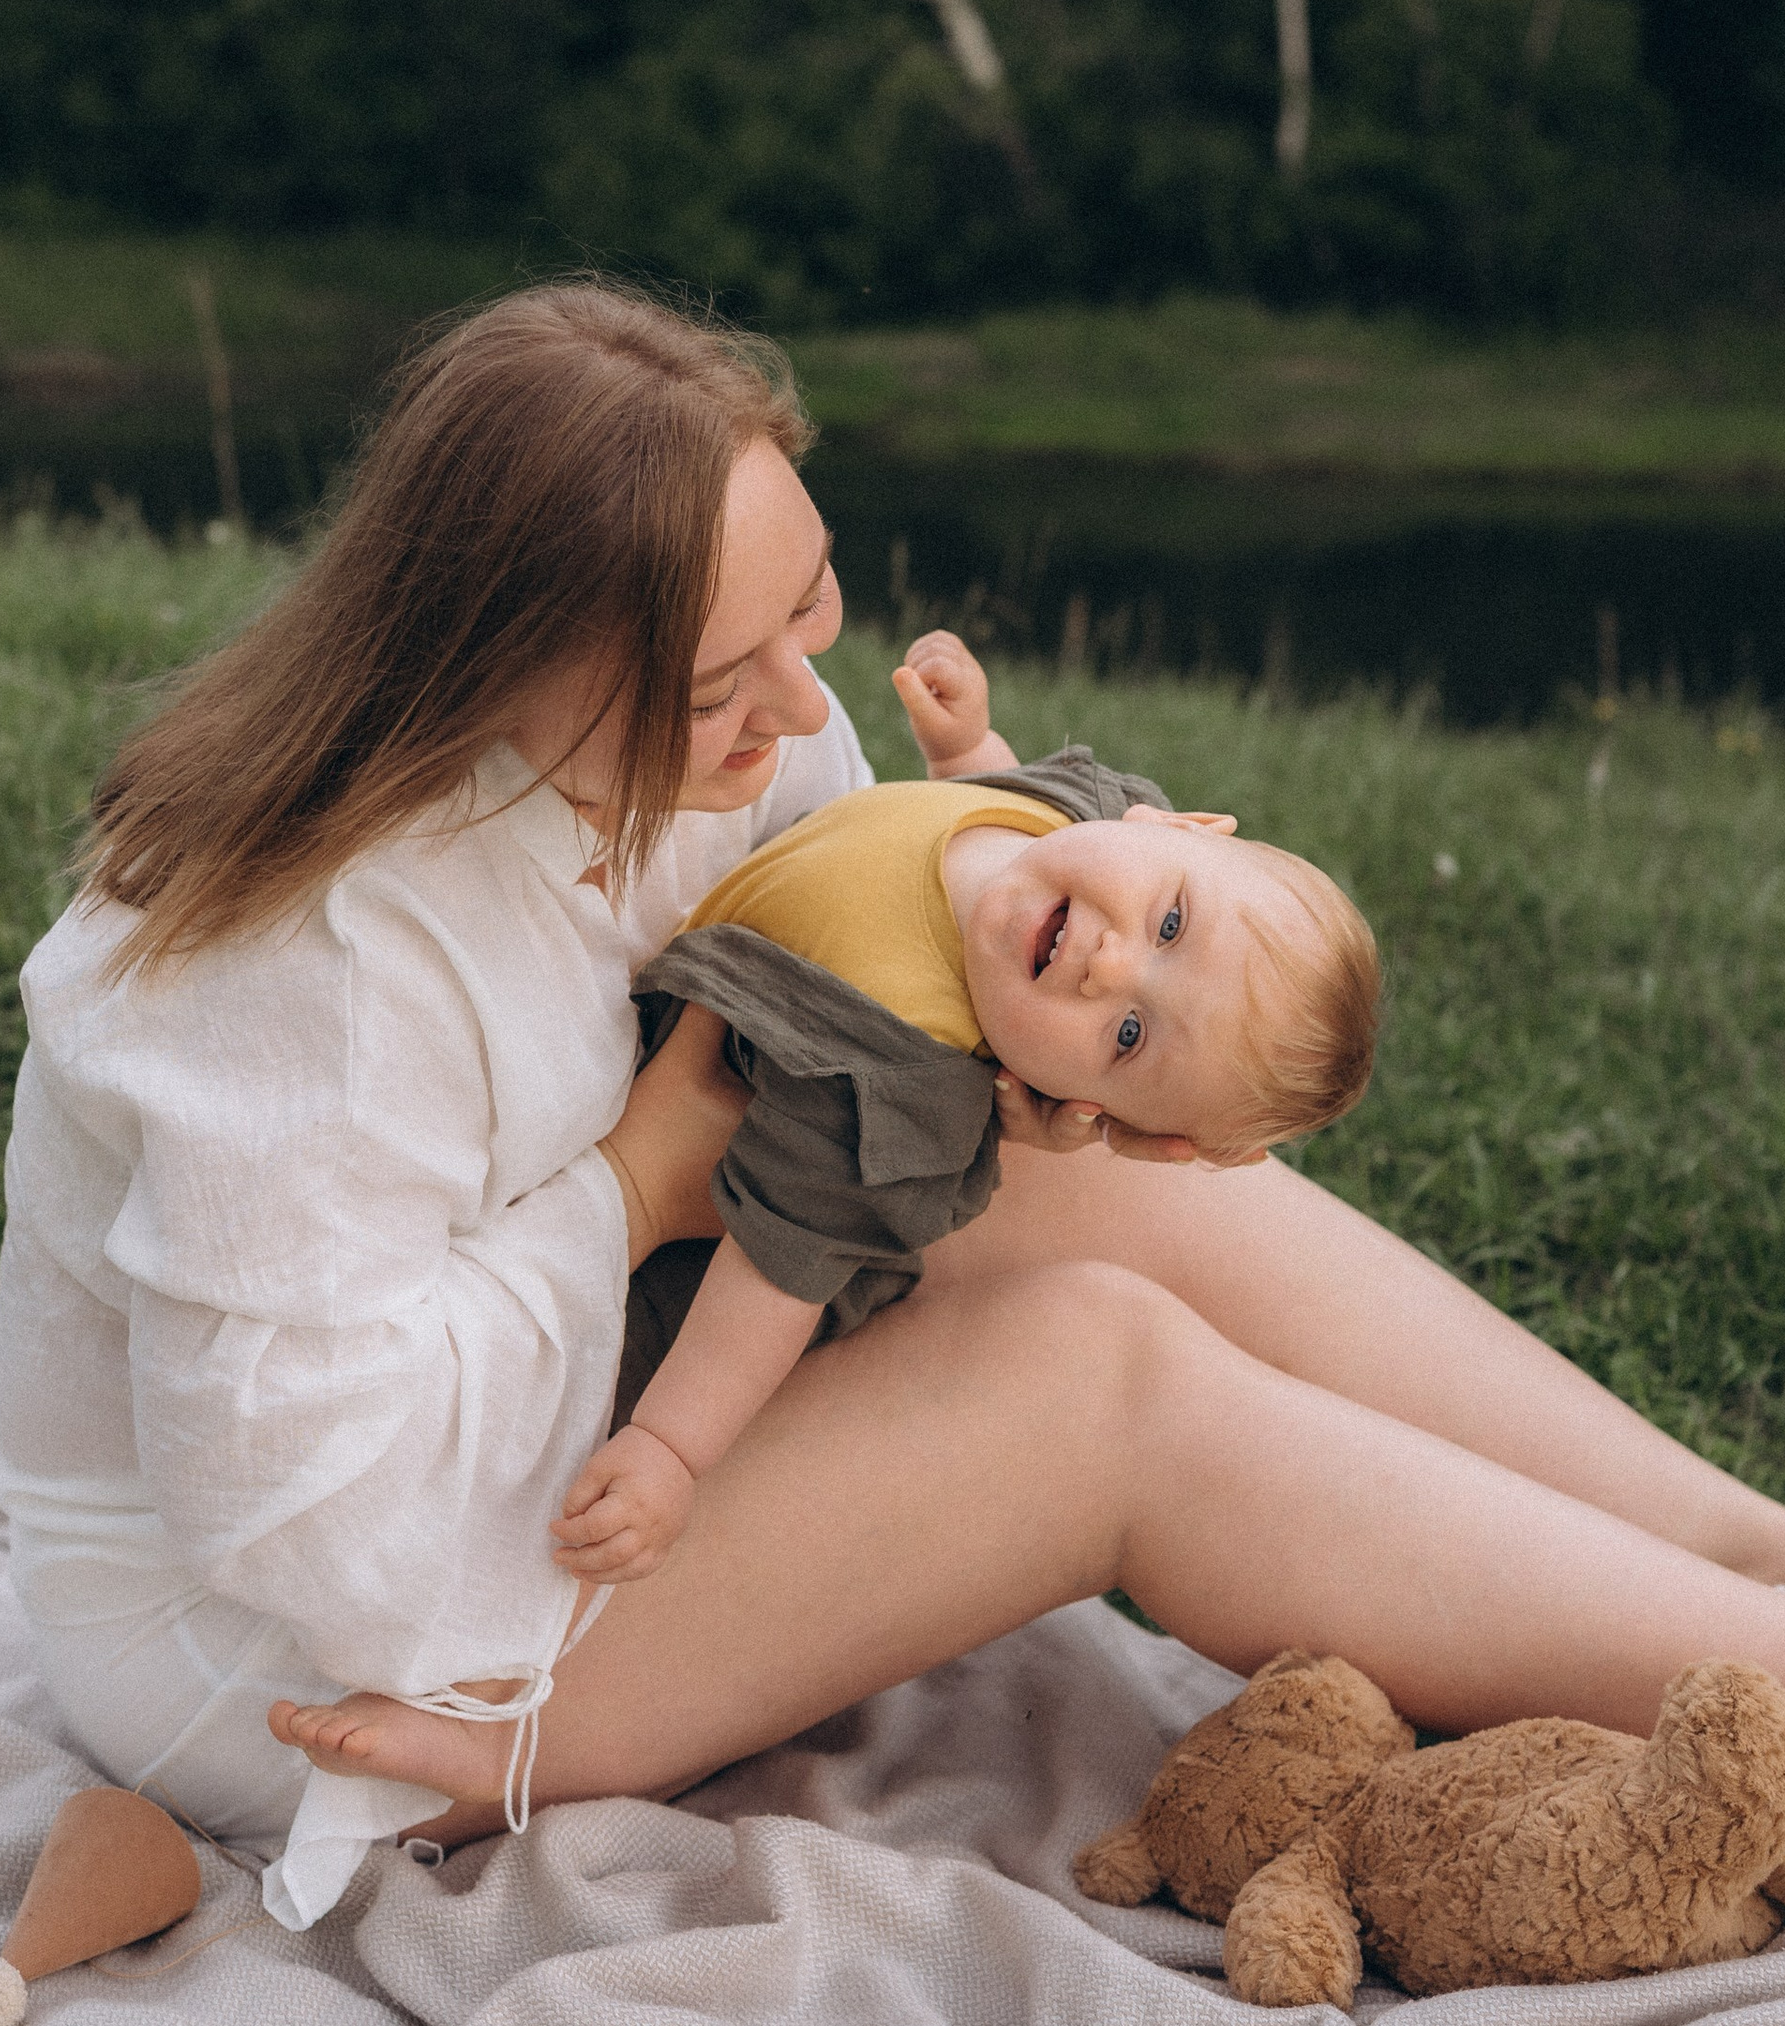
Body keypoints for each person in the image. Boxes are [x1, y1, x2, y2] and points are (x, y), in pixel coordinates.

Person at [0, 280, 1785, 1934]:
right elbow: (303, 1513)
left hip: (602, 1379)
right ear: (510, 668)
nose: (795, 713)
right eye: (722, 678)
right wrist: (643, 1182)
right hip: (300, 1638)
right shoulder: (285, 953)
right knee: (1100, 1378)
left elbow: (860, 985)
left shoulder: (719, 741)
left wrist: (1033, 1096)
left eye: (815, 606)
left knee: (1128, 1219)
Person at [549, 651, 1379, 1588]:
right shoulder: (1072, 809)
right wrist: (965, 750)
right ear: (1173, 822)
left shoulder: (902, 1077)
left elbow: (779, 1270)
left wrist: (670, 1445)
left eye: (1132, 1033)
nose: (1110, 964)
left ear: (1087, 1104)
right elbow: (984, 809)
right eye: (1174, 924)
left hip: (675, 1290)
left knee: (596, 1376)